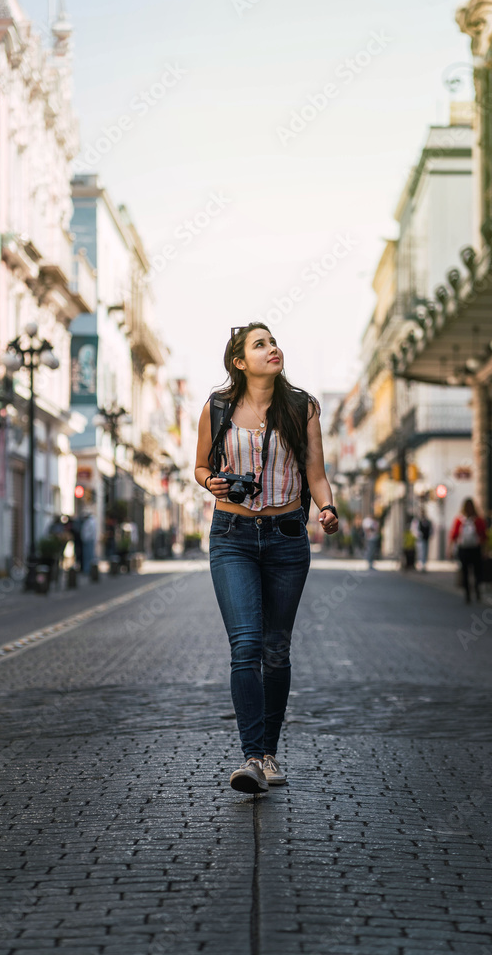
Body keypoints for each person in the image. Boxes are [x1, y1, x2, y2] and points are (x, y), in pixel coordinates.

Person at [194, 322, 338, 795]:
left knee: (276, 649)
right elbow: (201, 466)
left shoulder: (302, 408)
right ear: (240, 362)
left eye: (273, 341)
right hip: (232, 535)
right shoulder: (217, 408)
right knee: (247, 646)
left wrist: (327, 507)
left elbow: (315, 472)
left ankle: (270, 753)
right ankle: (252, 757)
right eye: (260, 344)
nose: (272, 349)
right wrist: (209, 481)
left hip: (287, 537)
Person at [448, 497, 487, 604]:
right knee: (476, 571)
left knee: (465, 572)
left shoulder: (459, 520)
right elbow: (483, 535)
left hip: (464, 549)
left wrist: (450, 549)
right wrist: (484, 549)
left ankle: (468, 594)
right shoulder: (478, 520)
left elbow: (453, 535)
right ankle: (477, 590)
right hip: (475, 549)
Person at [80, 509, 97, 574]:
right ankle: (87, 569)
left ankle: (89, 569)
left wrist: (86, 538)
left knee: (89, 555)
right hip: (87, 540)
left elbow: (90, 532)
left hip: (89, 540)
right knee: (87, 556)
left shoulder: (91, 522)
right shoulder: (88, 521)